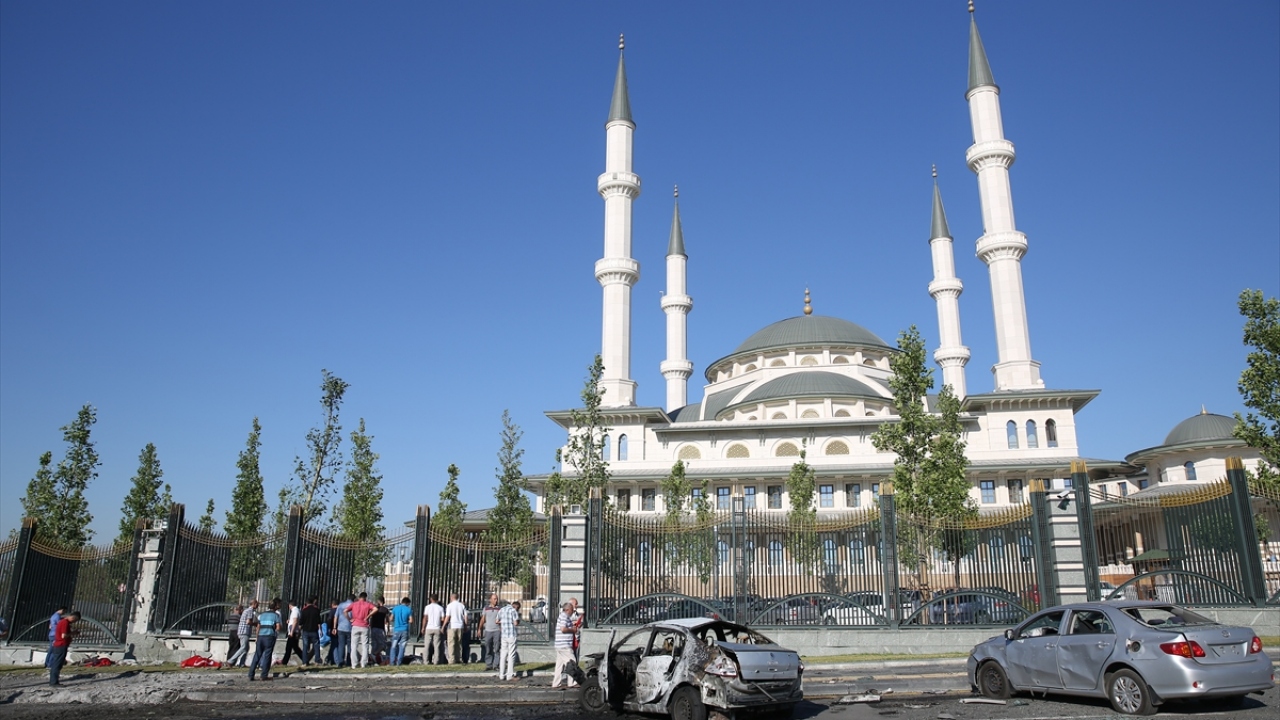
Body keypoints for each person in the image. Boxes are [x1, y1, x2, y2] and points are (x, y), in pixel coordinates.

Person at [249, 599, 282, 681]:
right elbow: (278, 627)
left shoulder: (262, 615)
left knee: (257, 655)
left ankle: (251, 674)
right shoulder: (276, 615)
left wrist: (257, 637)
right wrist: (275, 633)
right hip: (269, 636)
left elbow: (258, 627)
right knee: (267, 655)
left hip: (260, 636)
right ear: (275, 607)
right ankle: (264, 675)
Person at [551, 602, 580, 689]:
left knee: (559, 665)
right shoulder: (564, 616)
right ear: (567, 610)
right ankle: (572, 682)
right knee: (572, 662)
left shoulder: (562, 616)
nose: (573, 611)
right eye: (572, 610)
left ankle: (556, 683)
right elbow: (563, 629)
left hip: (559, 645)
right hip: (564, 645)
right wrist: (573, 630)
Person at [48, 611, 79, 687]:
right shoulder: (65, 623)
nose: (74, 622)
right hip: (61, 645)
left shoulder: (62, 621)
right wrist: (73, 633)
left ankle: (54, 680)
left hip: (59, 645)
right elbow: (63, 636)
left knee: (57, 663)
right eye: (75, 620)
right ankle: (53, 682)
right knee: (57, 663)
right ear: (73, 617)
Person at [347, 592, 376, 668]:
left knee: (354, 646)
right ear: (365, 597)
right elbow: (375, 609)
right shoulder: (367, 604)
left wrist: (350, 619)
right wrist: (368, 616)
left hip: (355, 625)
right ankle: (363, 663)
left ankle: (354, 664)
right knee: (365, 645)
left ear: (359, 597)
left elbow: (345, 611)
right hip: (364, 626)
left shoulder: (354, 604)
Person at [226, 599, 258, 667]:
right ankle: (230, 661)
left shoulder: (247, 611)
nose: (258, 606)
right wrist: (256, 624)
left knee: (246, 648)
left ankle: (242, 663)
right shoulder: (250, 611)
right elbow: (248, 622)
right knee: (243, 647)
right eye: (257, 604)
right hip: (244, 631)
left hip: (242, 631)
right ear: (254, 604)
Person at [497, 599, 521, 681]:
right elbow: (515, 623)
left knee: (503, 655)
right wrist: (518, 621)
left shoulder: (501, 610)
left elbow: (497, 621)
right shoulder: (513, 611)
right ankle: (509, 675)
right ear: (516, 607)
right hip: (511, 634)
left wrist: (503, 623)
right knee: (511, 655)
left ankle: (501, 674)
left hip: (503, 635)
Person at [478, 594, 502, 671]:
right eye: (494, 599)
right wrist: (479, 629)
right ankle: (489, 664)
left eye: (497, 599)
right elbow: (482, 619)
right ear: (490, 600)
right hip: (488, 630)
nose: (496, 600)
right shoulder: (486, 608)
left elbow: (502, 619)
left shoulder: (499, 609)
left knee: (497, 648)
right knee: (488, 647)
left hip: (497, 631)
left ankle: (496, 665)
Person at [389, 596, 413, 666]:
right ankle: (399, 663)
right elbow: (411, 621)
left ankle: (392, 662)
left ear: (402, 602)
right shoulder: (409, 610)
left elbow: (391, 619)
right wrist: (406, 621)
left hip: (396, 629)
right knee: (402, 647)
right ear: (408, 603)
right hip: (404, 630)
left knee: (393, 646)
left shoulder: (395, 608)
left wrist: (396, 620)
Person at [444, 593, 467, 664]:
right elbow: (465, 616)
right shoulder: (462, 605)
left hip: (452, 626)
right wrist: (465, 626)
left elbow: (448, 617)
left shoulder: (449, 606)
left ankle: (451, 659)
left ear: (451, 597)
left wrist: (443, 625)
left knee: (451, 643)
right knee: (459, 643)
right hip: (460, 626)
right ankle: (458, 658)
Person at [299, 597, 322, 666]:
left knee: (305, 646)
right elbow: (319, 622)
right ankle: (317, 661)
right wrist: (320, 630)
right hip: (314, 630)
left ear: (306, 603)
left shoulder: (304, 610)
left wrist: (298, 631)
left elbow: (301, 622)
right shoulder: (316, 610)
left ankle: (305, 662)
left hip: (306, 630)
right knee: (316, 646)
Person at [422, 594, 444, 665]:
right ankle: (436, 661)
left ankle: (426, 661)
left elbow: (425, 618)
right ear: (437, 599)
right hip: (437, 628)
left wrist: (423, 628)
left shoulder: (427, 607)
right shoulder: (440, 608)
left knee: (427, 645)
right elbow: (443, 619)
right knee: (437, 646)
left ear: (430, 599)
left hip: (429, 627)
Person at [280, 599, 303, 666]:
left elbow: (295, 621)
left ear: (290, 605)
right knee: (295, 647)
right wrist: (290, 621)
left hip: (293, 632)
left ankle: (284, 662)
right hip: (294, 631)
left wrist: (291, 632)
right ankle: (305, 659)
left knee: (289, 648)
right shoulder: (297, 610)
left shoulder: (295, 611)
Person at [335, 594, 354, 667]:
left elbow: (336, 616)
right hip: (350, 628)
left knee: (341, 645)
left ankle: (340, 662)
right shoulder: (353, 605)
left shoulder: (340, 605)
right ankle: (349, 662)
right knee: (350, 645)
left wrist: (334, 627)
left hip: (341, 627)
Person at [369, 597, 388, 665]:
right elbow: (386, 620)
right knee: (383, 644)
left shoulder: (374, 609)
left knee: (374, 644)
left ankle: (373, 659)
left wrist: (371, 627)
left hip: (373, 628)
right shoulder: (385, 609)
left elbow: (371, 618)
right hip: (380, 628)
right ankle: (374, 654)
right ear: (383, 602)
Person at [45, 605, 65, 670]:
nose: (64, 612)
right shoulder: (58, 616)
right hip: (55, 634)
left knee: (51, 650)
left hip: (51, 634)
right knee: (54, 650)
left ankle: (47, 663)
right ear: (61, 610)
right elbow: (59, 625)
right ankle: (50, 664)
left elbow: (51, 626)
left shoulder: (53, 616)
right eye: (64, 611)